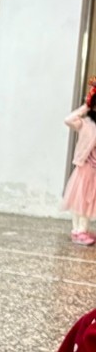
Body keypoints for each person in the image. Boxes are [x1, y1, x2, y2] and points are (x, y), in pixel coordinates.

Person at [61, 78, 96, 245]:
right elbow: (68, 120)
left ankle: (83, 229)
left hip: (94, 171)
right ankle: (77, 230)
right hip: (84, 168)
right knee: (80, 199)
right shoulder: (85, 124)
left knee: (89, 201)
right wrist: (85, 107)